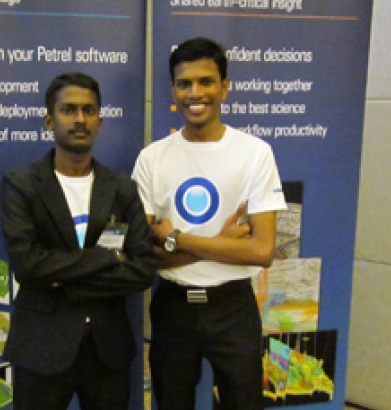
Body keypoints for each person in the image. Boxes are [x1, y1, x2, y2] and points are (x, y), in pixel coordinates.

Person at [132, 37, 288, 410]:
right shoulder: (153, 158)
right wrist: (222, 242)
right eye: (185, 84)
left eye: (206, 82)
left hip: (232, 306)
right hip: (172, 308)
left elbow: (262, 251)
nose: (195, 93)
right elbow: (144, 253)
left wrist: (176, 238)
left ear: (224, 87)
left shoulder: (254, 153)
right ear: (173, 90)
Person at [0, 72, 156, 410]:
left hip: (108, 350)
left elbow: (143, 269)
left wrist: (63, 280)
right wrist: (104, 259)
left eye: (89, 111)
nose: (80, 119)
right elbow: (27, 265)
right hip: (41, 347)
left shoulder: (122, 188)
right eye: (69, 110)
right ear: (49, 121)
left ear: (100, 121)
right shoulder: (21, 186)